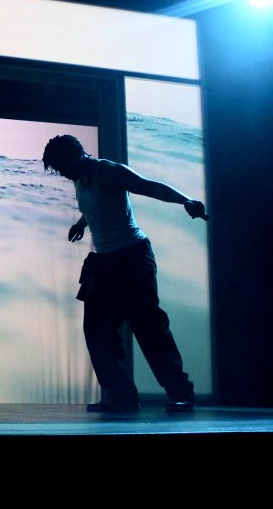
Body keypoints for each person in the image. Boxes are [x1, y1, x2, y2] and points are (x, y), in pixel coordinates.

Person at [42, 134, 207, 413]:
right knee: (98, 331)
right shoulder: (78, 176)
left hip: (132, 259)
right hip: (104, 262)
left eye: (61, 166)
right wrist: (82, 222)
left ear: (75, 156)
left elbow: (148, 186)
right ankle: (121, 396)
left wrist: (186, 201)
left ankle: (181, 393)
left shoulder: (108, 171)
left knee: (149, 328)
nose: (62, 173)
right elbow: (97, 204)